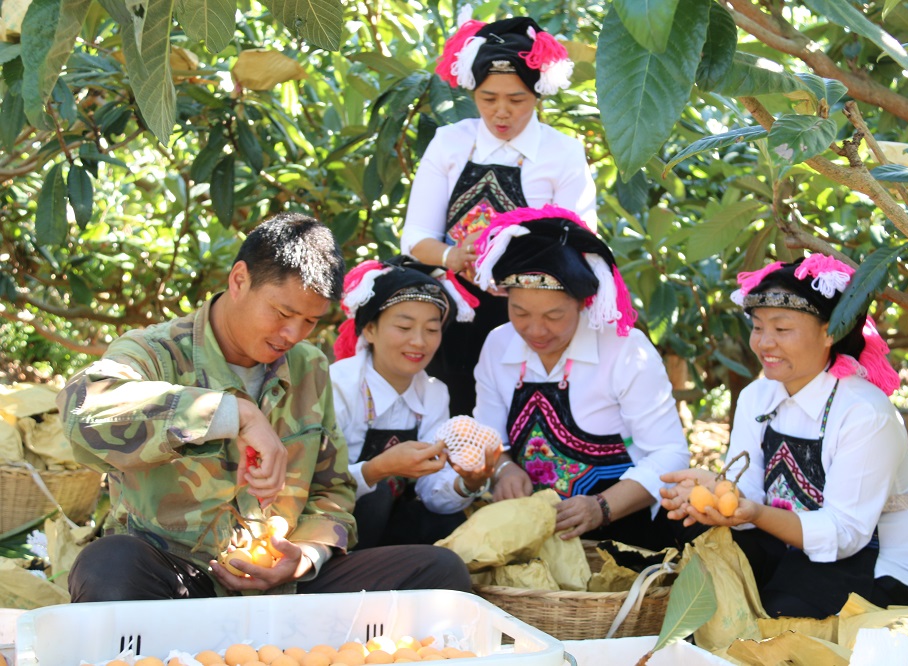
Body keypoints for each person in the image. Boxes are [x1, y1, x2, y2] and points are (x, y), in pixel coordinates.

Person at [56, 212, 470, 602]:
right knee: (107, 563)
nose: (292, 334)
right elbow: (82, 408)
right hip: (181, 578)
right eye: (283, 312)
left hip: (283, 588)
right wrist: (234, 415)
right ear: (240, 280)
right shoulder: (157, 352)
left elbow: (332, 488)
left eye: (309, 321)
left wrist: (307, 555)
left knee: (439, 573)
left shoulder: (308, 367)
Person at [661, 254, 908, 618]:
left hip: (891, 568)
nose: (764, 343)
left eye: (782, 329)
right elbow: (747, 493)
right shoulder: (757, 397)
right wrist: (721, 494)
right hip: (798, 550)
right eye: (758, 327)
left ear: (830, 332)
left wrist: (755, 512)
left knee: (782, 617)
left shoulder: (864, 412)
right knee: (698, 568)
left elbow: (845, 533)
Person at [400, 9, 597, 416]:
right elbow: (415, 238)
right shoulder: (449, 143)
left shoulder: (563, 154)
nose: (501, 111)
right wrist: (453, 256)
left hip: (528, 315)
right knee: (454, 414)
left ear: (538, 94)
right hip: (454, 310)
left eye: (516, 99)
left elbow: (581, 245)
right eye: (488, 98)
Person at [470, 205, 691, 550]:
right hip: (530, 538)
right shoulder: (498, 345)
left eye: (554, 315)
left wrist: (601, 507)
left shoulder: (624, 349)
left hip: (622, 537)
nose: (535, 329)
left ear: (582, 303)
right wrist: (504, 469)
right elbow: (487, 436)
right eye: (520, 312)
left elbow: (670, 453)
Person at [329, 255, 496, 549]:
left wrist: (467, 482)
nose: (419, 342)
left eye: (431, 330)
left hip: (394, 531)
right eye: (404, 327)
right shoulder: (337, 386)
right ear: (369, 329)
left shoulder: (434, 393)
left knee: (450, 524)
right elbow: (315, 485)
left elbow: (432, 492)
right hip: (333, 528)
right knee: (377, 495)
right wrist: (376, 469)